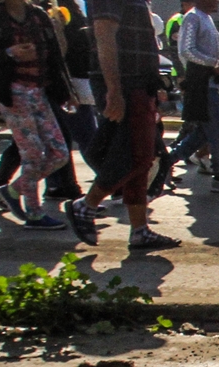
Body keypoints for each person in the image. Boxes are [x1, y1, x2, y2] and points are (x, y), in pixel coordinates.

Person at [65, 0, 181, 249]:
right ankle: (85, 206)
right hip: (126, 83)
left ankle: (140, 230)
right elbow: (104, 34)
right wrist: (114, 91)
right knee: (135, 156)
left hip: (139, 82)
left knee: (141, 156)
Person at [0, 0, 69, 230]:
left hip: (40, 91)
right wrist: (10, 53)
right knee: (33, 153)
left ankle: (13, 190)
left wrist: (67, 90)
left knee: (59, 153)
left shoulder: (38, 15)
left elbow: (55, 53)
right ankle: (34, 214)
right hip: (13, 91)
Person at [165, 0, 219, 194]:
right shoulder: (193, 18)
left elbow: (215, 52)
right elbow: (186, 50)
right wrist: (213, 64)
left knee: (202, 134)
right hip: (201, 86)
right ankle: (218, 176)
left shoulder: (205, 18)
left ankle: (164, 163)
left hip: (208, 84)